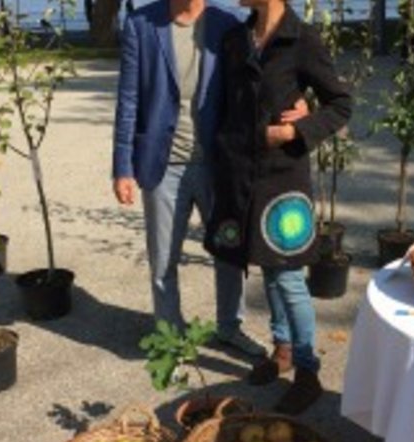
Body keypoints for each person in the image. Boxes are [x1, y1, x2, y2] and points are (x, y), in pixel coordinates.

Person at [112, 0, 305, 355]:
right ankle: (171, 336)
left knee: (228, 253)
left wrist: (298, 100)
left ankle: (230, 327)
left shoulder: (229, 22)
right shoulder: (141, 24)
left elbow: (265, 72)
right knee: (163, 260)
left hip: (219, 165)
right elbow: (128, 100)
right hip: (162, 165)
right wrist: (122, 166)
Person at [204, 0, 352, 414]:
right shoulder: (236, 39)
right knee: (266, 268)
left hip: (283, 176)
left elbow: (341, 104)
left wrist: (294, 130)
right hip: (242, 173)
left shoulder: (302, 39)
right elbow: (227, 105)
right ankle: (282, 348)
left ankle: (308, 371)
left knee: (287, 276)